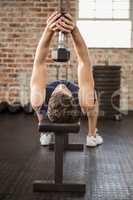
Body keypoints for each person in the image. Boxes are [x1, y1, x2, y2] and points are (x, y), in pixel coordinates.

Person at [30, 12, 103, 147]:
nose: (62, 85)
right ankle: (92, 136)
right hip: (72, 100)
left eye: (59, 89)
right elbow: (84, 62)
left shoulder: (41, 99)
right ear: (72, 98)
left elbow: (39, 63)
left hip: (46, 100)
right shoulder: (80, 100)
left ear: (51, 99)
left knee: (37, 102)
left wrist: (49, 30)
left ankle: (45, 132)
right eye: (64, 90)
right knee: (91, 99)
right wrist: (74, 30)